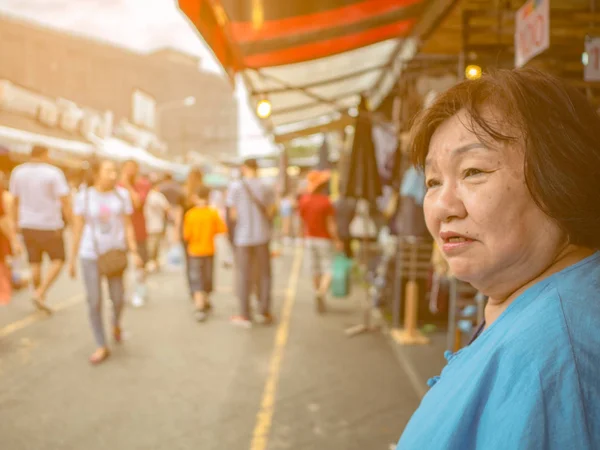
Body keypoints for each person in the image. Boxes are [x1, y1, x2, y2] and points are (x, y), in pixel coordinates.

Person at [396, 68, 600, 449]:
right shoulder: (533, 304)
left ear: (561, 178)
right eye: (433, 182)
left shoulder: (551, 358)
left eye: (473, 171)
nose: (442, 207)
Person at [68, 160, 141, 365]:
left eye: (114, 171)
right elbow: (77, 228)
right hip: (90, 254)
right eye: (108, 170)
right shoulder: (84, 196)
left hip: (115, 253)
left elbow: (127, 225)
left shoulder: (121, 194)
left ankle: (116, 323)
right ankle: (101, 344)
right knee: (94, 300)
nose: (113, 174)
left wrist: (134, 251)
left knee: (118, 298)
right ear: (97, 173)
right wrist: (72, 259)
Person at [9, 145, 71, 313]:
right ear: (46, 154)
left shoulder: (18, 172)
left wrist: (15, 223)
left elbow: (14, 201)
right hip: (50, 224)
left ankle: (38, 293)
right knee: (58, 260)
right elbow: (65, 200)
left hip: (27, 224)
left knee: (34, 262)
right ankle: (41, 292)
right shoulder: (53, 173)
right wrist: (71, 221)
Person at [226, 158, 275, 327]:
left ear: (244, 168)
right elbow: (270, 211)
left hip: (243, 237)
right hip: (262, 236)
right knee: (264, 274)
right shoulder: (266, 186)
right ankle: (264, 310)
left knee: (244, 275)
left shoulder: (235, 186)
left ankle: (245, 314)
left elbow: (233, 215)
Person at [298, 170, 341, 313]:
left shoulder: (304, 200)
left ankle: (317, 292)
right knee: (328, 269)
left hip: (309, 238)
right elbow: (331, 225)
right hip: (324, 240)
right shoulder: (326, 202)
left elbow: (301, 222)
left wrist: (302, 237)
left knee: (314, 269)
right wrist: (337, 240)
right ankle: (321, 292)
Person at [183, 185, 227, 322]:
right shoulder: (212, 213)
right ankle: (204, 301)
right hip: (209, 250)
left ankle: (199, 306)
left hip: (194, 251)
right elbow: (221, 229)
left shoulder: (190, 214)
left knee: (196, 278)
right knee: (207, 277)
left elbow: (186, 235)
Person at [119, 160, 150, 307]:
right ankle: (122, 293)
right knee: (121, 265)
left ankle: (139, 291)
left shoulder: (143, 185)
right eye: (127, 168)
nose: (130, 171)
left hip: (139, 231)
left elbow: (137, 203)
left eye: (133, 169)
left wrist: (127, 186)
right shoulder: (116, 187)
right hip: (121, 232)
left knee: (140, 263)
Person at [144, 181, 171, 272]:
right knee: (155, 246)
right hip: (157, 225)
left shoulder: (149, 196)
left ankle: (153, 263)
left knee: (153, 246)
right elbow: (167, 208)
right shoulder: (157, 196)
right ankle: (153, 263)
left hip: (150, 225)